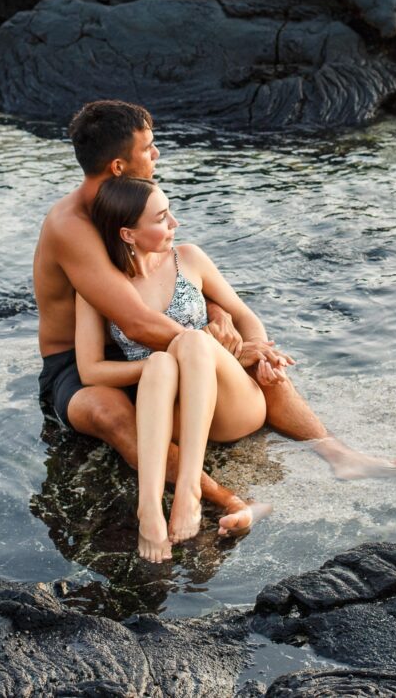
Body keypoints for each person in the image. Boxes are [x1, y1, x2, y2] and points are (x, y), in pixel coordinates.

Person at [32, 101, 396, 544]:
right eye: (149, 148)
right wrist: (223, 353)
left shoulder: (128, 206)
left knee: (258, 362)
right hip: (83, 362)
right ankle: (226, 499)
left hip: (150, 348)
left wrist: (218, 315)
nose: (157, 155)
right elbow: (138, 321)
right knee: (112, 411)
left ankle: (338, 454)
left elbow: (170, 269)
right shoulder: (74, 226)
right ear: (120, 165)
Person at [75, 176, 271, 561]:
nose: (175, 223)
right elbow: (91, 372)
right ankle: (149, 509)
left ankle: (189, 490)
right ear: (128, 234)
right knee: (163, 361)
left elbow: (247, 317)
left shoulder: (189, 258)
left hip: (233, 406)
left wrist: (262, 355)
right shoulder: (99, 288)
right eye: (162, 218)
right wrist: (152, 365)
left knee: (193, 340)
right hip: (175, 411)